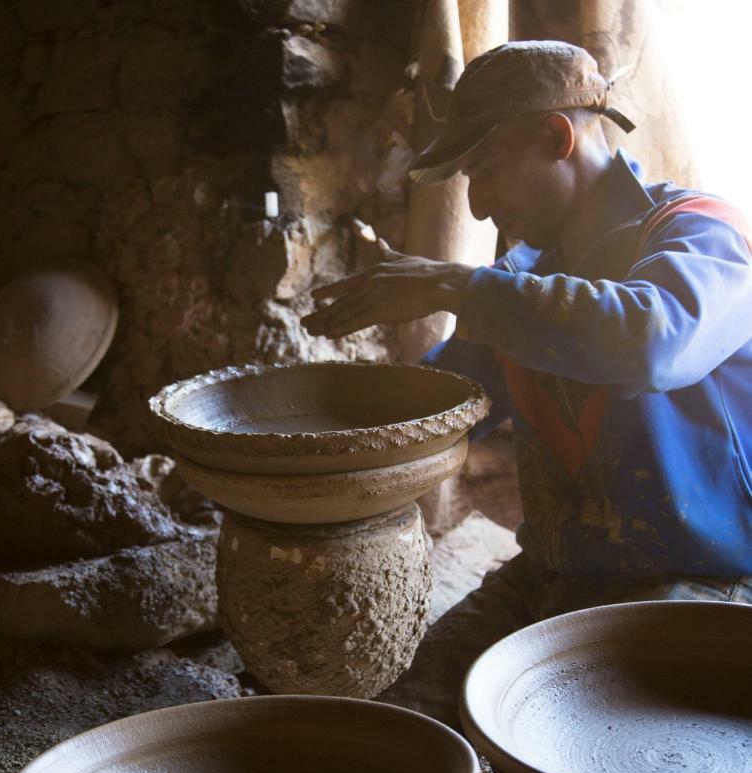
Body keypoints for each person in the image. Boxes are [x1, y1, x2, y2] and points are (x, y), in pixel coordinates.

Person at [301, 40, 752, 724]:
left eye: (484, 170)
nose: (477, 207)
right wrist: (297, 444)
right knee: (402, 724)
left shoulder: (702, 233)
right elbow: (439, 410)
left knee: (594, 747)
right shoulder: (516, 285)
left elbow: (654, 343)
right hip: (561, 570)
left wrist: (453, 285)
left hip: (705, 580)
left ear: (557, 136)